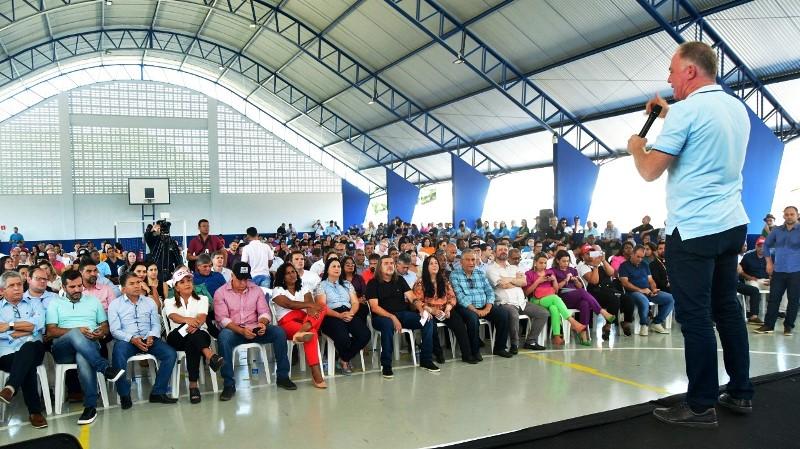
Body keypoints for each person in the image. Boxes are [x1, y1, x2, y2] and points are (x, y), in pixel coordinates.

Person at [627, 41, 753, 426]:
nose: (668, 78)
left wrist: (637, 147)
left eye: (672, 70)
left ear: (690, 72)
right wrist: (669, 115)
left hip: (695, 229)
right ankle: (741, 392)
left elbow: (650, 170)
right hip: (731, 223)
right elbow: (700, 137)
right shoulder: (736, 108)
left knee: (695, 316)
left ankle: (700, 404)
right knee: (727, 308)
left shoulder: (686, 113)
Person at [45, 269, 125, 425]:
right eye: (72, 287)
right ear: (63, 287)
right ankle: (105, 367)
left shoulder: (93, 301)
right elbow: (51, 331)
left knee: (83, 357)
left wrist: (100, 332)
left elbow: (104, 326)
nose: (77, 290)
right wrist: (77, 331)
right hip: (63, 349)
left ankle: (90, 406)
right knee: (76, 332)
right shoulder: (55, 303)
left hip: (89, 345)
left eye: (79, 286)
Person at [214, 262, 297, 400]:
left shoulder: (256, 289)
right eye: (239, 279)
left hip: (255, 328)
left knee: (279, 333)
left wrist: (262, 324)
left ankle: (283, 376)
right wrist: (241, 331)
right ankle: (229, 384)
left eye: (245, 279)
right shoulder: (220, 293)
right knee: (224, 338)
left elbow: (264, 312)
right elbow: (223, 320)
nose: (243, 282)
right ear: (232, 276)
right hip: (234, 330)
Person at [108, 273, 178, 409]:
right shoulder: (115, 305)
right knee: (118, 353)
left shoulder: (149, 302)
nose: (137, 286)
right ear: (123, 288)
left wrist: (152, 335)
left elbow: (156, 324)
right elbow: (115, 330)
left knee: (170, 354)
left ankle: (158, 392)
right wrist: (132, 339)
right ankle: (124, 394)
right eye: (132, 284)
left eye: (138, 282)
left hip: (148, 339)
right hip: (127, 341)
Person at [366, 255, 439, 378]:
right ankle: (386, 365)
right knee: (388, 325)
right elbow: (374, 307)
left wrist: (421, 309)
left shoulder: (399, 280)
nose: (390, 265)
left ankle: (426, 360)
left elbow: (412, 298)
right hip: (381, 317)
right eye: (386, 263)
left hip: (403, 315)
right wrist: (392, 317)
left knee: (427, 320)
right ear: (379, 267)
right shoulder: (373, 283)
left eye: (391, 263)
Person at [163, 268, 224, 404]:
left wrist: (193, 324)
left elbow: (202, 317)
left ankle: (193, 386)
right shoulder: (169, 301)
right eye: (182, 282)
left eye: (189, 280)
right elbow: (173, 316)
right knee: (194, 336)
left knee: (192, 342)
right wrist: (188, 321)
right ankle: (209, 355)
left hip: (199, 333)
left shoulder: (202, 299)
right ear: (176, 287)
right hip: (176, 336)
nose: (187, 283)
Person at [0, 271, 49, 429]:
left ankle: (10, 387)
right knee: (26, 364)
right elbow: (30, 327)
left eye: (19, 284)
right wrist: (28, 328)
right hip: (7, 354)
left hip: (35, 349)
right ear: (2, 290)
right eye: (12, 286)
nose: (17, 288)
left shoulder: (34, 303)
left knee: (28, 347)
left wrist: (10, 326)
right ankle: (35, 412)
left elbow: (38, 325)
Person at [271, 262, 327, 389]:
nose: (292, 275)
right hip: (287, 323)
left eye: (293, 272)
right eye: (288, 273)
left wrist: (310, 307)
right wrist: (309, 305)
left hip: (304, 320)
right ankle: (316, 373)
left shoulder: (304, 288)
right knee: (312, 333)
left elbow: (312, 309)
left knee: (323, 307)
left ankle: (304, 329)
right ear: (282, 277)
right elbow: (289, 304)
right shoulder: (278, 290)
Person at [412, 256, 476, 364]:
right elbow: (418, 301)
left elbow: (452, 297)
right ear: (426, 267)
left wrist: (448, 308)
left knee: (458, 323)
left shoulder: (444, 280)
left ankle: (467, 354)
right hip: (429, 311)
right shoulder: (420, 282)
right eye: (431, 263)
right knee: (430, 324)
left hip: (444, 310)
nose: (434, 265)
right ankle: (438, 353)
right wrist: (432, 310)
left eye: (436, 263)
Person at [450, 249, 512, 359]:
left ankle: (500, 348)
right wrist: (475, 310)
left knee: (503, 314)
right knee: (472, 319)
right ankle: (474, 351)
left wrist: (488, 308)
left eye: (473, 260)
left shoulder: (480, 273)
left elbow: (489, 291)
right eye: (468, 260)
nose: (471, 262)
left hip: (484, 305)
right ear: (461, 262)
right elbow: (460, 296)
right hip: (466, 307)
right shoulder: (454, 275)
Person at [485, 243, 548, 352]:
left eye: (505, 249)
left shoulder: (514, 267)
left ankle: (531, 341)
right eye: (500, 249)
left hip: (522, 302)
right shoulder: (491, 269)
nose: (503, 251)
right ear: (495, 253)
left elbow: (524, 282)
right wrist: (515, 280)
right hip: (505, 303)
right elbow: (502, 285)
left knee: (543, 313)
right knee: (513, 315)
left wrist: (508, 279)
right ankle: (514, 344)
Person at [316, 258, 371, 375]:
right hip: (330, 315)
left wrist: (351, 313)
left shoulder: (347, 284)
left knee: (365, 334)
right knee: (343, 337)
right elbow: (322, 306)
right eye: (333, 266)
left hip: (348, 312)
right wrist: (339, 315)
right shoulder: (322, 285)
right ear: (327, 270)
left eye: (338, 267)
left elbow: (355, 302)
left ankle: (344, 358)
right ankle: (345, 362)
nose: (337, 269)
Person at [551, 250, 616, 345]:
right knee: (582, 292)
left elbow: (580, 286)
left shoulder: (572, 270)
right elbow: (555, 289)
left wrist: (576, 282)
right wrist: (566, 280)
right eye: (563, 261)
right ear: (557, 261)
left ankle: (583, 334)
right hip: (563, 297)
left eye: (567, 261)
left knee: (584, 304)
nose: (566, 263)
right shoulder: (553, 271)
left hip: (575, 294)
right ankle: (602, 312)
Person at [755, 206, 800, 335]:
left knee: (793, 300)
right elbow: (766, 245)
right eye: (787, 214)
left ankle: (788, 326)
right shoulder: (777, 231)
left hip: (796, 271)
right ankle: (768, 325)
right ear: (783, 216)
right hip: (779, 270)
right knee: (774, 299)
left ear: (797, 215)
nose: (789, 216)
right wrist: (769, 262)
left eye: (792, 214)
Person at [524, 254, 587, 345]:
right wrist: (538, 281)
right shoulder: (529, 274)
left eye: (545, 263)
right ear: (535, 263)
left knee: (554, 308)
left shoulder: (549, 272)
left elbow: (556, 290)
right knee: (555, 298)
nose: (543, 265)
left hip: (550, 298)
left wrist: (553, 280)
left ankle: (557, 337)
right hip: (535, 300)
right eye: (540, 263)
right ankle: (572, 322)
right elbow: (527, 293)